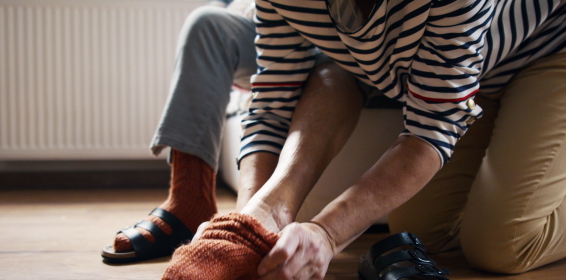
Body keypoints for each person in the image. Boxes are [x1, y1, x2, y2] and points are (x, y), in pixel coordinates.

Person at [160, 0, 566, 280]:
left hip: (546, 52)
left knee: (501, 246)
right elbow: (275, 99)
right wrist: (249, 224)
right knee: (424, 230)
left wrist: (326, 234)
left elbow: (430, 130)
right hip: (473, 80)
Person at [101, 0, 394, 262]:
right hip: (289, 35)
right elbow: (269, 102)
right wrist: (245, 219)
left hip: (361, 57)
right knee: (206, 23)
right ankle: (189, 200)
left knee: (333, 74)